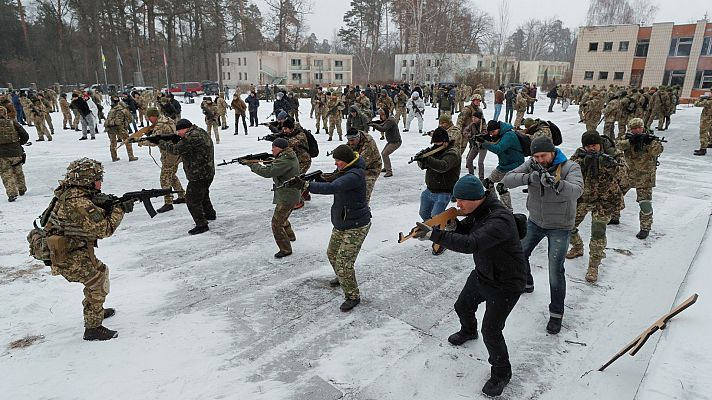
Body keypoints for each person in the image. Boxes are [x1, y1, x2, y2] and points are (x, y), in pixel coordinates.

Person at [413, 175, 525, 397]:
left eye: (461, 200)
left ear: (476, 198)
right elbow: (467, 231)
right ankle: (468, 331)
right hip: (483, 274)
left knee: (491, 331)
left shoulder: (499, 220)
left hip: (506, 283)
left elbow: (471, 244)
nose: (458, 205)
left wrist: (434, 235)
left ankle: (502, 373)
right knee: (462, 306)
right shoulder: (478, 211)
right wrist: (453, 226)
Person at [44, 158, 133, 340]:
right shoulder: (78, 202)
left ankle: (95, 311)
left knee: (100, 273)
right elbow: (104, 229)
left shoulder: (72, 192)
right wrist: (119, 209)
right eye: (98, 178)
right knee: (97, 282)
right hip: (67, 254)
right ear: (88, 180)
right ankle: (93, 328)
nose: (101, 182)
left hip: (73, 248)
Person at [503, 137, 583, 334]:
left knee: (555, 272)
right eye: (536, 156)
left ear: (553, 152)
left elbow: (577, 191)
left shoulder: (569, 167)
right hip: (535, 221)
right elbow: (507, 179)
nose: (540, 160)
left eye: (543, 156)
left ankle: (556, 314)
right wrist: (529, 178)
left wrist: (557, 183)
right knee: (519, 254)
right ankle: (527, 282)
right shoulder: (531, 164)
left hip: (560, 226)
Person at [307, 145, 372, 312]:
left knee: (343, 262)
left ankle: (352, 296)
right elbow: (332, 181)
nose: (336, 164)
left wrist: (307, 186)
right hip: (343, 221)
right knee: (332, 253)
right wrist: (316, 179)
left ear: (347, 160)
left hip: (357, 224)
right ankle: (343, 277)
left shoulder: (354, 175)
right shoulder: (345, 171)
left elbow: (333, 187)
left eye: (338, 160)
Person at [566, 131, 628, 283]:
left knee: (598, 232)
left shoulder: (614, 154)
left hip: (604, 200)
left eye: (594, 145)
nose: (592, 148)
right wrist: (584, 163)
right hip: (584, 197)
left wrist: (607, 165)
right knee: (567, 225)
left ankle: (593, 266)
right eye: (588, 146)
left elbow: (624, 175)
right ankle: (578, 246)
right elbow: (569, 169)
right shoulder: (580, 154)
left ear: (600, 144)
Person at [158, 119, 215, 235]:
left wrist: (161, 142)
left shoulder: (192, 137)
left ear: (186, 128)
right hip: (206, 172)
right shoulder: (199, 131)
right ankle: (210, 214)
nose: (178, 133)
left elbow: (176, 150)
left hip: (199, 174)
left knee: (192, 199)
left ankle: (201, 224)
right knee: (202, 195)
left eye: (179, 130)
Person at [248, 138, 301, 258]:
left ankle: (285, 249)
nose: (271, 149)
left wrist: (252, 164)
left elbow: (268, 172)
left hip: (287, 196)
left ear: (281, 148)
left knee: (276, 223)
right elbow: (276, 165)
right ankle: (290, 236)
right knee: (283, 217)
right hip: (289, 194)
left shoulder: (285, 160)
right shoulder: (287, 156)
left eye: (274, 147)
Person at [611, 118, 664, 239]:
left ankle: (645, 228)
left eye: (638, 128)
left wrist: (648, 142)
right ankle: (614, 216)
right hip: (628, 174)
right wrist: (631, 141)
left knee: (645, 203)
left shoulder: (650, 138)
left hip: (644, 176)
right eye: (634, 128)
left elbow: (658, 150)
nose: (636, 130)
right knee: (616, 195)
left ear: (643, 127)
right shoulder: (627, 137)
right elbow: (618, 145)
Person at [417, 127, 461, 255]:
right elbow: (424, 165)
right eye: (434, 143)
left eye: (438, 143)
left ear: (445, 142)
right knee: (424, 214)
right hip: (429, 190)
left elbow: (443, 166)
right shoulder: (434, 150)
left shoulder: (453, 153)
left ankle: (442, 241)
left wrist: (428, 159)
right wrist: (421, 159)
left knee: (436, 219)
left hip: (444, 192)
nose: (435, 146)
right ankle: (447, 225)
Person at [145, 107, 186, 213]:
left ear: (154, 116)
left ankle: (168, 203)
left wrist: (141, 142)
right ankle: (182, 195)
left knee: (164, 178)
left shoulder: (160, 125)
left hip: (170, 155)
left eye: (149, 117)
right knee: (171, 176)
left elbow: (155, 141)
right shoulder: (167, 120)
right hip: (176, 152)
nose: (149, 120)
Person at [478, 120, 524, 210]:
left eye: (493, 132)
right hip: (503, 166)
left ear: (498, 128)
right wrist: (484, 138)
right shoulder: (500, 135)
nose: (492, 134)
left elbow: (498, 149)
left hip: (514, 166)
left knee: (501, 187)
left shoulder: (509, 135)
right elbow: (494, 141)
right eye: (490, 133)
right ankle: (494, 204)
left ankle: (507, 211)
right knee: (487, 183)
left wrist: (484, 143)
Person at [0, 106, 29, 202]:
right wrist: (18, 144)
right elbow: (25, 135)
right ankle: (22, 188)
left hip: (2, 155)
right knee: (18, 171)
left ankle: (12, 193)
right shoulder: (13, 122)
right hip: (16, 152)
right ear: (5, 113)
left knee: (6, 174)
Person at [345, 127, 381, 201]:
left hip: (372, 168)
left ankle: (364, 210)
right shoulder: (354, 138)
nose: (350, 143)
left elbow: (360, 163)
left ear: (358, 138)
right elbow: (346, 153)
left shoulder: (368, 144)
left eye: (352, 140)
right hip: (358, 165)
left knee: (363, 194)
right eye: (348, 140)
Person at [104, 96, 138, 162]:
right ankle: (131, 157)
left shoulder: (111, 110)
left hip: (110, 128)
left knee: (113, 143)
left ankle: (114, 157)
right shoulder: (124, 110)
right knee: (127, 141)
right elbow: (130, 119)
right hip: (120, 128)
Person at [369, 108, 401, 177]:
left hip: (395, 142)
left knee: (384, 154)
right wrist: (374, 122)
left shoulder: (390, 120)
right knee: (383, 153)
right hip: (391, 141)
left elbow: (383, 128)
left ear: (386, 114)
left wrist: (374, 125)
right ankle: (386, 167)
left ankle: (389, 171)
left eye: (383, 115)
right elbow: (381, 123)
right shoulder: (388, 119)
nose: (381, 117)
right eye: (380, 115)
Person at [464, 110, 487, 179]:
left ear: (479, 119)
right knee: (469, 160)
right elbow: (465, 131)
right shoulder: (472, 124)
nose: (473, 119)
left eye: (475, 118)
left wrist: (477, 136)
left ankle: (481, 178)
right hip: (475, 146)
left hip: (483, 146)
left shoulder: (483, 124)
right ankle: (471, 175)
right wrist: (469, 134)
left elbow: (484, 133)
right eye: (472, 117)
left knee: (480, 162)